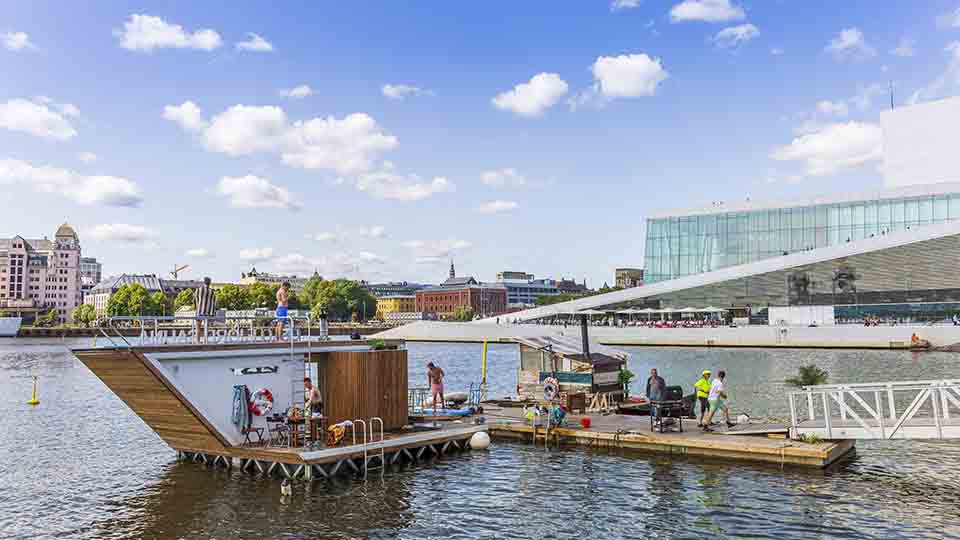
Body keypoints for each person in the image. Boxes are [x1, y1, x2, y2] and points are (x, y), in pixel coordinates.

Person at [194, 277, 216, 343]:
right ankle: (205, 341)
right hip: (209, 312)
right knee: (206, 328)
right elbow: (214, 302)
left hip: (200, 311)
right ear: (210, 283)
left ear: (204, 282)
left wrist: (197, 308)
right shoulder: (212, 291)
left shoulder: (199, 290)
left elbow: (195, 300)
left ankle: (197, 341)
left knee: (198, 327)